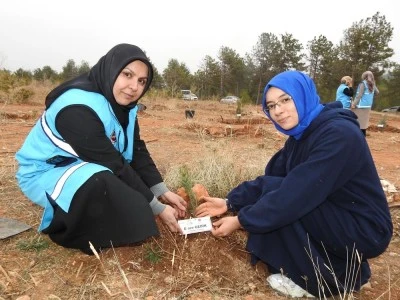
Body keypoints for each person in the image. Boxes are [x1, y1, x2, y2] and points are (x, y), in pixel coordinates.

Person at [196, 70, 392, 298]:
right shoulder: (302, 135)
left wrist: (242, 220)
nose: (278, 111)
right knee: (279, 193)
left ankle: (316, 283)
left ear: (302, 95)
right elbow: (273, 179)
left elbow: (294, 195)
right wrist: (230, 201)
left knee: (288, 204)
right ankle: (342, 270)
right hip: (340, 217)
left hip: (364, 229)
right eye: (271, 106)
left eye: (285, 100)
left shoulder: (339, 135)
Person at [15, 43, 187, 254]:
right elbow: (113, 163)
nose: (134, 87)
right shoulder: (76, 108)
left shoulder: (126, 106)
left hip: (85, 166)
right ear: (112, 70)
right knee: (116, 193)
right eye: (127, 74)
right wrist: (156, 207)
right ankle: (63, 226)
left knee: (128, 199)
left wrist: (162, 191)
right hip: (45, 174)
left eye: (141, 81)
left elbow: (137, 150)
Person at [351, 71, 380, 136]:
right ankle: (363, 137)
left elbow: (359, 96)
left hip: (360, 106)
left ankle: (357, 137)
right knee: (364, 123)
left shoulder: (363, 84)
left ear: (364, 76)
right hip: (368, 106)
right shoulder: (373, 84)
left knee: (357, 122)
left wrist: (354, 104)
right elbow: (377, 92)